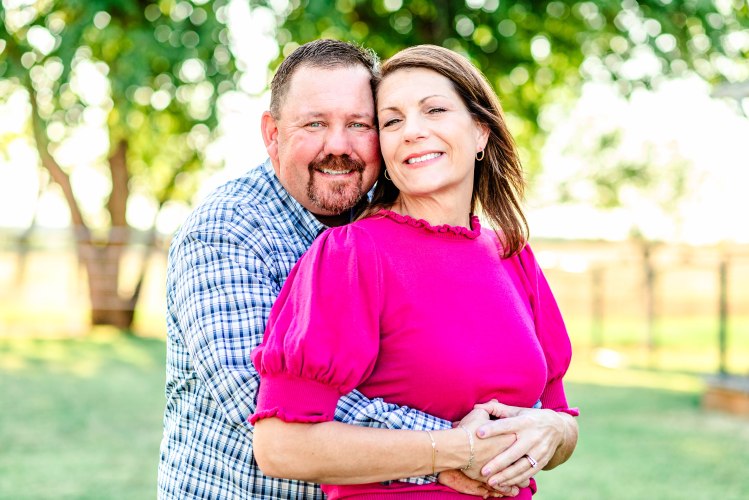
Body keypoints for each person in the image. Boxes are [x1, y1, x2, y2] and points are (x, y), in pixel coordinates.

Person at [158, 39, 531, 500]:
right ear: (272, 133)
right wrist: (464, 446)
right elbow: (266, 409)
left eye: (359, 124)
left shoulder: (391, 223)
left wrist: (544, 425)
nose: (338, 146)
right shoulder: (226, 231)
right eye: (315, 124)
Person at [251, 44, 579, 499]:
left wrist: (555, 431)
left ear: (480, 130)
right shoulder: (352, 256)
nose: (412, 132)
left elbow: (559, 418)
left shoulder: (511, 255)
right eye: (391, 121)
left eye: (434, 110)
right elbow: (280, 447)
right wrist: (457, 450)